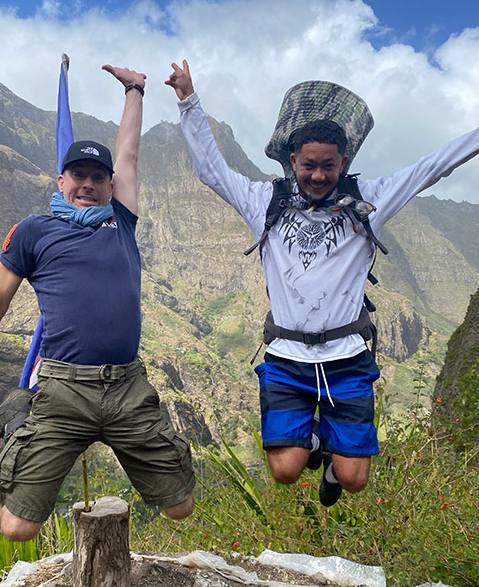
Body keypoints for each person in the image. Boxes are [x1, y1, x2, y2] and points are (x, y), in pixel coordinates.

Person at [166, 59, 479, 506]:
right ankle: (313, 443)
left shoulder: (368, 200)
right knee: (285, 470)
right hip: (287, 357)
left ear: (344, 161)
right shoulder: (264, 202)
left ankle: (334, 462)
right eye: (308, 165)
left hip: (346, 358)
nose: (317, 176)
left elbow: (433, 167)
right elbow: (212, 170)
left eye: (328, 166)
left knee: (353, 479)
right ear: (293, 160)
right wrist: (189, 101)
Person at [0, 64, 195, 540]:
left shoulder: (122, 222)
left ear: (110, 185)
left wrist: (135, 91)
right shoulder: (33, 232)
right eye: (78, 175)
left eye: (97, 177)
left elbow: (128, 154)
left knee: (181, 507)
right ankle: (21, 419)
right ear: (61, 180)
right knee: (17, 527)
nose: (88, 184)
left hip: (126, 385)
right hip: (62, 388)